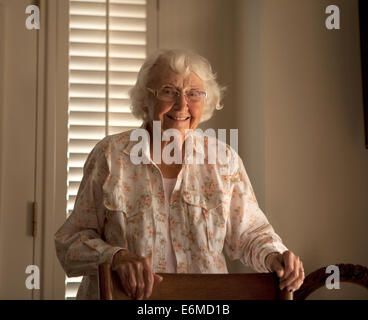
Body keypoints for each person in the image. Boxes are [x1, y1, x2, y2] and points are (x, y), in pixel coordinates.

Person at [55, 49, 304, 300]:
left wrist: (275, 256)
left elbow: (251, 235)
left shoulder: (223, 160)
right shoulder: (110, 156)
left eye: (193, 94)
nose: (182, 104)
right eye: (168, 91)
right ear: (145, 99)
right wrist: (116, 257)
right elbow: (70, 243)